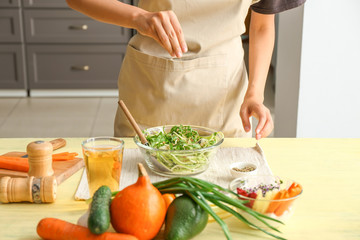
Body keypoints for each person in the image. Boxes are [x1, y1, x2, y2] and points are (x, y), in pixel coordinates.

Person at [66, 0, 305, 139]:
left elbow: (262, 25)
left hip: (224, 97)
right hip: (152, 89)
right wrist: (138, 17)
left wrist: (255, 94)